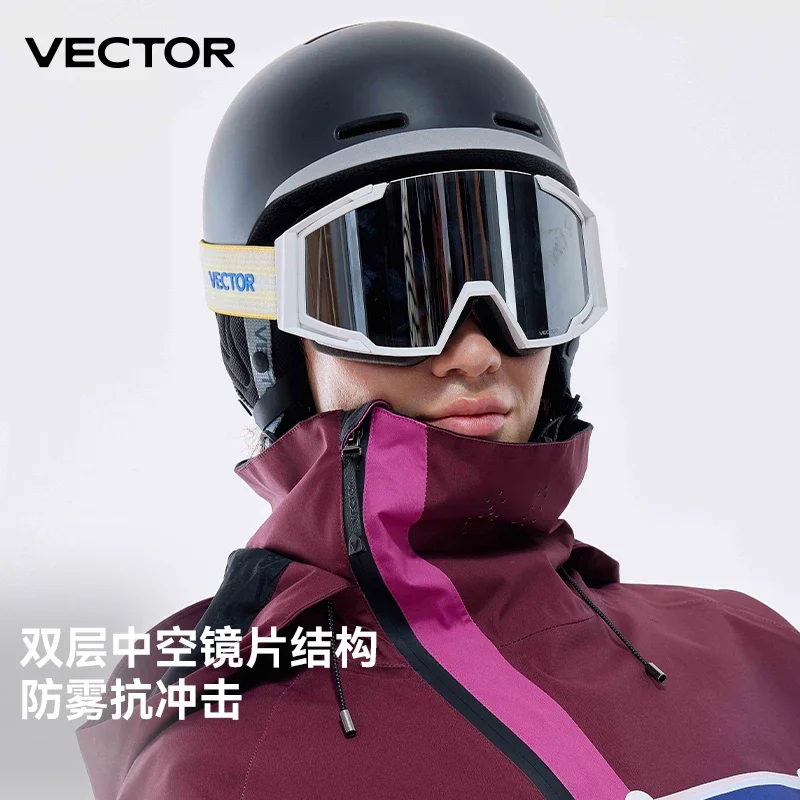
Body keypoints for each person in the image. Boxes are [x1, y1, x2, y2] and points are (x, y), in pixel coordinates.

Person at [77, 20, 800, 800]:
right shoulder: (228, 766)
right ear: (270, 342)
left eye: (522, 285)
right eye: (395, 297)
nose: (477, 353)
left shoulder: (755, 659)